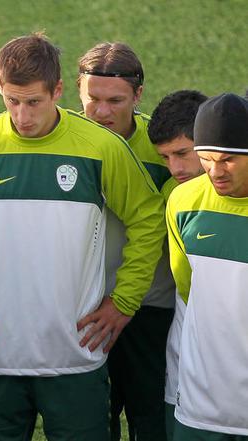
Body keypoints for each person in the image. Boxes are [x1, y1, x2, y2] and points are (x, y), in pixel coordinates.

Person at [0, 33, 166, 441]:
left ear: (57, 91)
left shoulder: (102, 148)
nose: (22, 116)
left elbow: (148, 218)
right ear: (0, 88)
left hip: (76, 358)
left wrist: (124, 300)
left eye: (33, 102)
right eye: (12, 101)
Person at [77, 42, 174, 441]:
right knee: (91, 422)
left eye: (115, 101)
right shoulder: (63, 141)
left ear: (138, 96)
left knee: (150, 420)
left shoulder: (163, 148)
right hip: (82, 311)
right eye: (92, 99)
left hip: (149, 311)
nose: (101, 112)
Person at [166, 93, 248, 440]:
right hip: (201, 404)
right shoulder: (183, 201)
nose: (216, 171)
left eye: (228, 160)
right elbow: (187, 286)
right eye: (206, 158)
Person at [147, 89, 207, 441]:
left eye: (183, 153)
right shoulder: (174, 193)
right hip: (185, 333)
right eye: (165, 157)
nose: (175, 169)